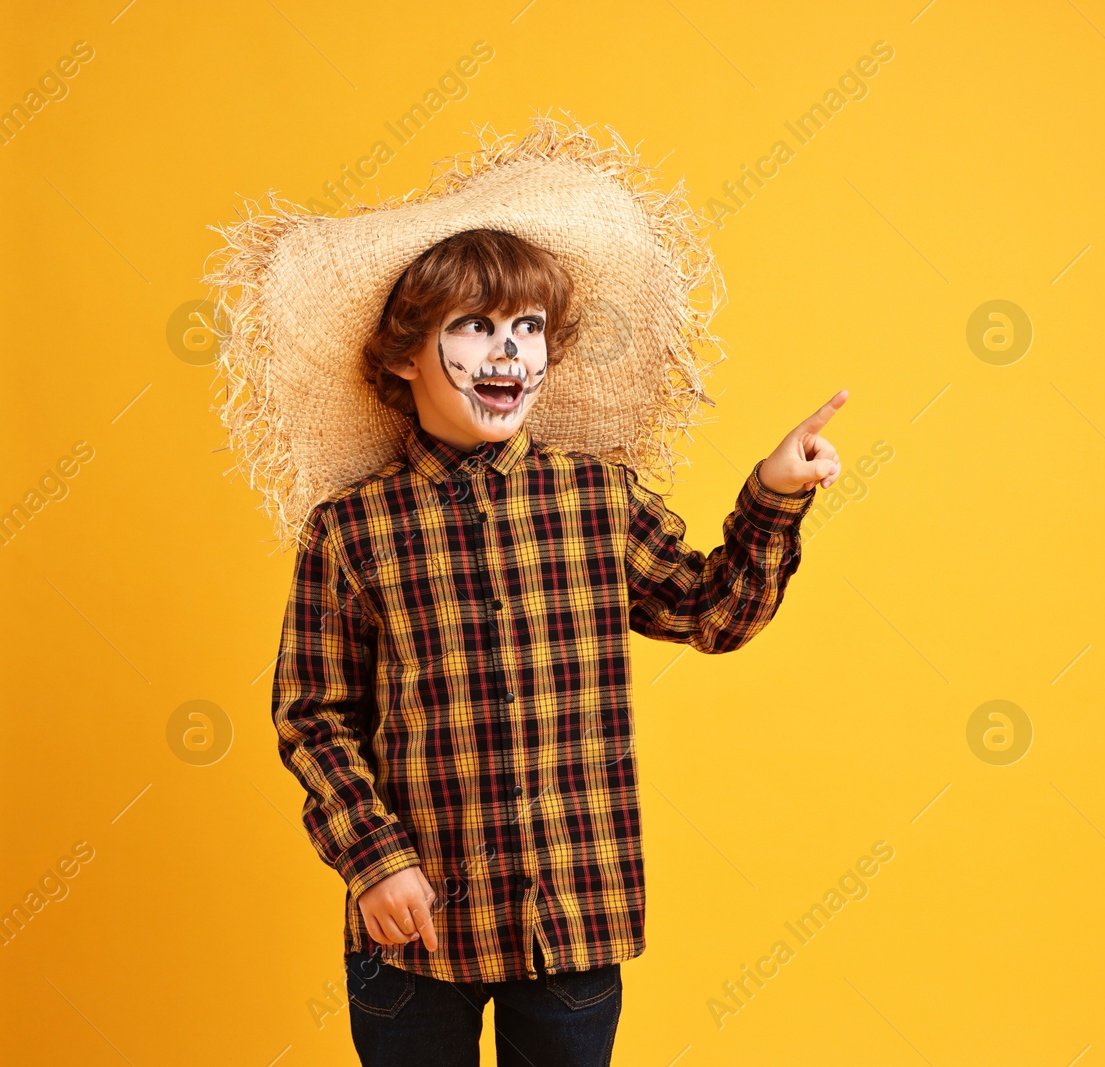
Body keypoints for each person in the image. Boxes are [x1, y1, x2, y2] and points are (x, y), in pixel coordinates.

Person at [203, 114, 846, 1066]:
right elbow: (313, 715)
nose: (508, 354)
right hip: (416, 930)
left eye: (528, 327)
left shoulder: (597, 496)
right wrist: (376, 861)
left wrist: (774, 498)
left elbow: (713, 612)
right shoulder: (352, 530)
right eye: (473, 327)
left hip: (571, 917)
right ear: (401, 356)